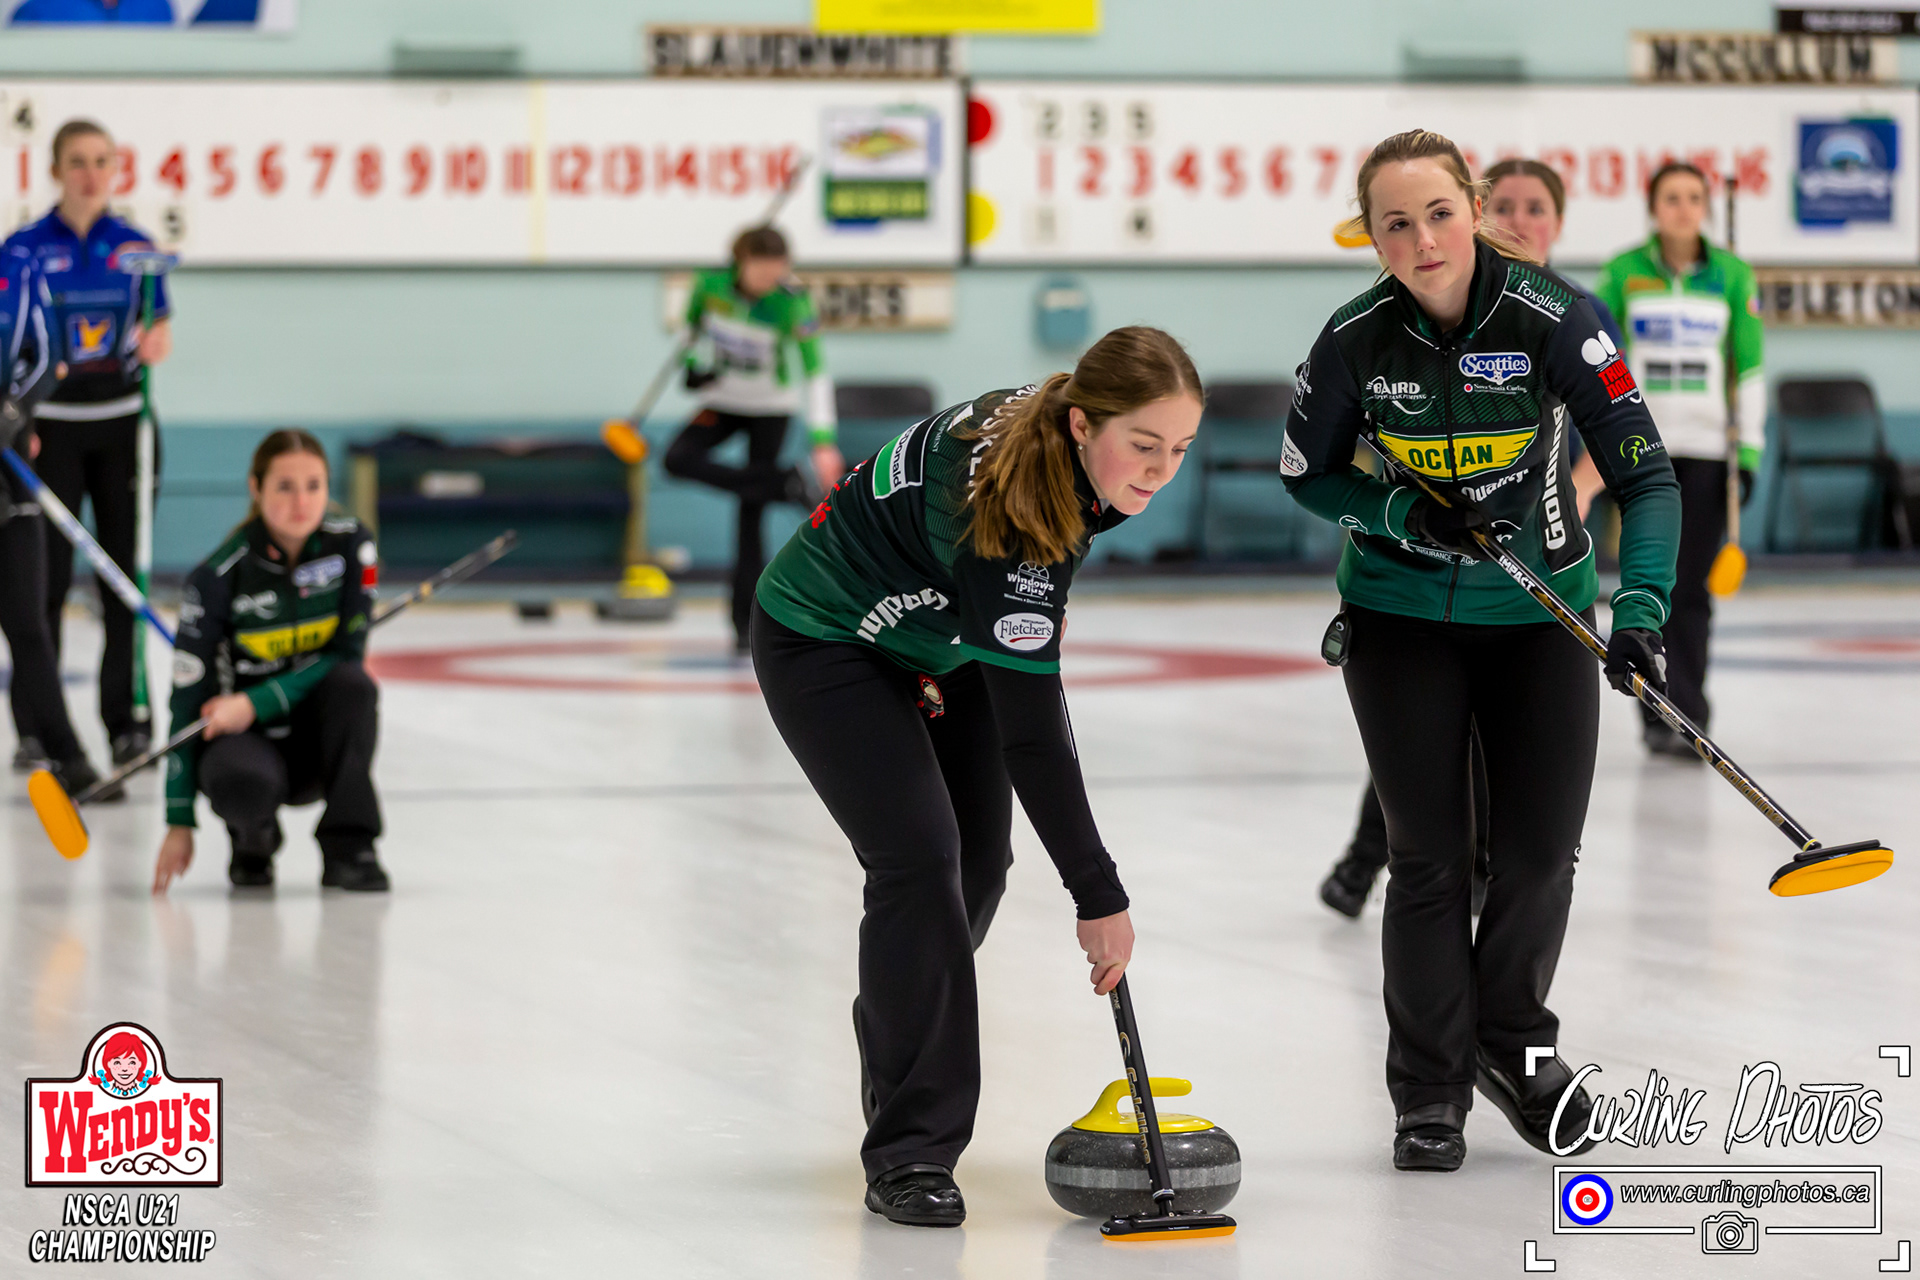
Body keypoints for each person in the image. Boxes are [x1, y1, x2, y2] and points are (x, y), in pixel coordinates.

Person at [1283, 130, 1680, 1173]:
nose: (1422, 241)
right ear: (1372, 236)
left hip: (1542, 616)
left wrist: (1641, 609)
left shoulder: (1557, 317)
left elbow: (1646, 476)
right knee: (1428, 858)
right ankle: (1428, 1090)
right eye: (1395, 224)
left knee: (1541, 855)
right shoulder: (1355, 337)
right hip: (1399, 620)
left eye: (1438, 214)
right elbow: (1306, 473)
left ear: (1474, 208)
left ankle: (1512, 1043)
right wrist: (1403, 514)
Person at [751, 326, 1201, 1226]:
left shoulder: (1067, 450)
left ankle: (903, 1002)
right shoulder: (1015, 512)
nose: (1160, 471)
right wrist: (1098, 895)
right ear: (1082, 423)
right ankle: (912, 1153)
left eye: (1181, 449)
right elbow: (1034, 738)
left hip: (944, 641)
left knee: (978, 869)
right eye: (1144, 445)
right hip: (827, 639)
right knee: (920, 860)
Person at [1318, 158, 1626, 920]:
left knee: (1499, 753)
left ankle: (1485, 886)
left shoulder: (1571, 313)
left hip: (1535, 565)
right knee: (1425, 749)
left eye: (1537, 208)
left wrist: (1575, 496)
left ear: (1557, 224)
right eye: (1508, 205)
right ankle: (1367, 859)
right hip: (1427, 578)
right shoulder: (1398, 317)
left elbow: (1613, 431)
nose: (1521, 221)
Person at [151, 429, 388, 894]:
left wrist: (254, 701)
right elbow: (186, 699)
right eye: (285, 487)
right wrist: (179, 820)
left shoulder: (353, 547)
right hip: (246, 746)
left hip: (316, 744)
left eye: (314, 486)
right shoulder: (216, 577)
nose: (301, 502)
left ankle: (350, 848)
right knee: (241, 782)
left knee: (354, 687)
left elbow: (346, 655)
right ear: (255, 488)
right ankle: (252, 838)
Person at [4, 118, 173, 769]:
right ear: (55, 170)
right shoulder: (23, 249)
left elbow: (159, 327)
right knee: (39, 586)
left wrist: (157, 340)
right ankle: (38, 727)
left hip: (123, 426)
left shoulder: (136, 248)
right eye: (77, 161)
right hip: (48, 432)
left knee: (123, 580)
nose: (91, 174)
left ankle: (127, 720)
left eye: (102, 161)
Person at [1596, 162, 1764, 759]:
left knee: (1691, 588)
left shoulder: (1733, 276)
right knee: (1648, 582)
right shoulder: (1623, 272)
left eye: (1694, 197)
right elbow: (1600, 358)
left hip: (1708, 452)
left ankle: (1688, 713)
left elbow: (1748, 368)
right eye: (1671, 197)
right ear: (1653, 206)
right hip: (1641, 451)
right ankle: (1651, 710)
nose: (1684, 207)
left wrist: (1748, 452)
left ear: (1706, 207)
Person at [663, 225, 844, 654]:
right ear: (741, 262)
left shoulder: (792, 302)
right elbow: (690, 330)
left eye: (777, 271)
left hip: (771, 409)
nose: (769, 281)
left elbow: (815, 372)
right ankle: (783, 484)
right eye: (761, 272)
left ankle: (743, 624)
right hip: (722, 402)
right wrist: (693, 365)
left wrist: (823, 440)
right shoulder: (710, 286)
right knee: (677, 458)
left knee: (750, 514)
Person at [0, 240, 112, 796]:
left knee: (28, 623)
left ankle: (67, 755)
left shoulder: (17, 270)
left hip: (9, 470)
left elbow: (50, 357)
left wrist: (13, 411)